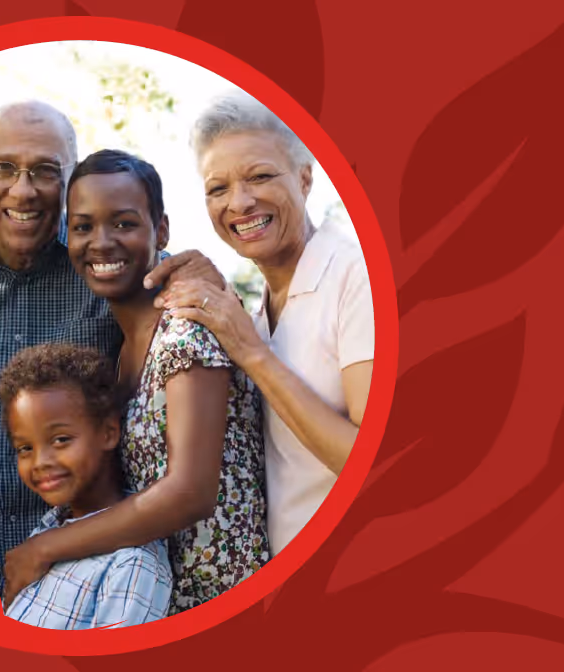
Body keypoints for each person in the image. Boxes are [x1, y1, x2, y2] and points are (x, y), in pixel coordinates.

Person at [0, 101, 223, 594]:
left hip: (90, 580)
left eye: (45, 171)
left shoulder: (104, 267)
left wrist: (206, 277)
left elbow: (187, 295)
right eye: (4, 169)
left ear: (71, 180)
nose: (23, 189)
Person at [3, 150, 268, 614]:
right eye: (83, 227)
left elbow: (189, 493)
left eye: (123, 223)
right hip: (145, 604)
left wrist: (45, 548)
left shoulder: (186, 329)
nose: (100, 242)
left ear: (160, 230)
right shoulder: (121, 346)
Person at [158, 94, 374, 555]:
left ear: (304, 178)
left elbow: (370, 460)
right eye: (218, 189)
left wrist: (250, 352)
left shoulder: (357, 278)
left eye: (259, 176)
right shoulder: (258, 311)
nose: (240, 202)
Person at [0, 343, 172, 629]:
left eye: (61, 440)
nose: (40, 461)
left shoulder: (131, 565)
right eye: (25, 448)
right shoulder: (51, 526)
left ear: (108, 432)